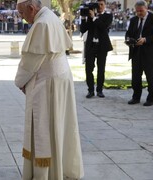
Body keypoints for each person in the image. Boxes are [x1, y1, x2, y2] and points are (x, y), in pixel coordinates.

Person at [15, 0, 84, 179]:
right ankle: (61, 168)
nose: (21, 17)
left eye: (22, 13)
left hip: (48, 83)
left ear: (31, 8)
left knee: (45, 126)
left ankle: (45, 173)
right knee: (60, 124)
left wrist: (20, 81)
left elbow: (30, 62)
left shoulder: (41, 24)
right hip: (60, 77)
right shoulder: (50, 16)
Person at [79, 0, 113, 98]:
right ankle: (90, 90)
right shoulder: (90, 16)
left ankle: (99, 90)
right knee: (88, 68)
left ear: (105, 5)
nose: (100, 7)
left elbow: (103, 27)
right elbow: (82, 29)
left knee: (101, 68)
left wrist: (94, 17)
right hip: (91, 45)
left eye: (102, 4)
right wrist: (83, 18)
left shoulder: (108, 16)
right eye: (98, 5)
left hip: (102, 46)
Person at [125, 0, 153, 106]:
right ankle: (136, 97)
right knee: (135, 77)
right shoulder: (133, 20)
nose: (139, 13)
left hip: (149, 53)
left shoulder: (152, 18)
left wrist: (145, 39)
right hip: (136, 52)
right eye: (137, 11)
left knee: (150, 77)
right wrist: (128, 40)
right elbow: (128, 33)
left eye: (141, 11)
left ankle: (151, 98)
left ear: (147, 9)